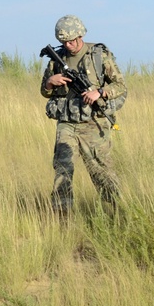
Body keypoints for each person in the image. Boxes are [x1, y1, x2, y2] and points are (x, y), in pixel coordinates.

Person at [39, 15, 127, 217]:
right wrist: (50, 82)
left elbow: (120, 86)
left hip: (93, 122)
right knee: (63, 169)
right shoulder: (56, 60)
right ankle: (62, 218)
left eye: (72, 40)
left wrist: (100, 92)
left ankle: (118, 213)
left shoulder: (98, 55)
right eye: (64, 42)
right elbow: (45, 92)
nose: (68, 45)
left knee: (101, 171)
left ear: (81, 35)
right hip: (66, 123)